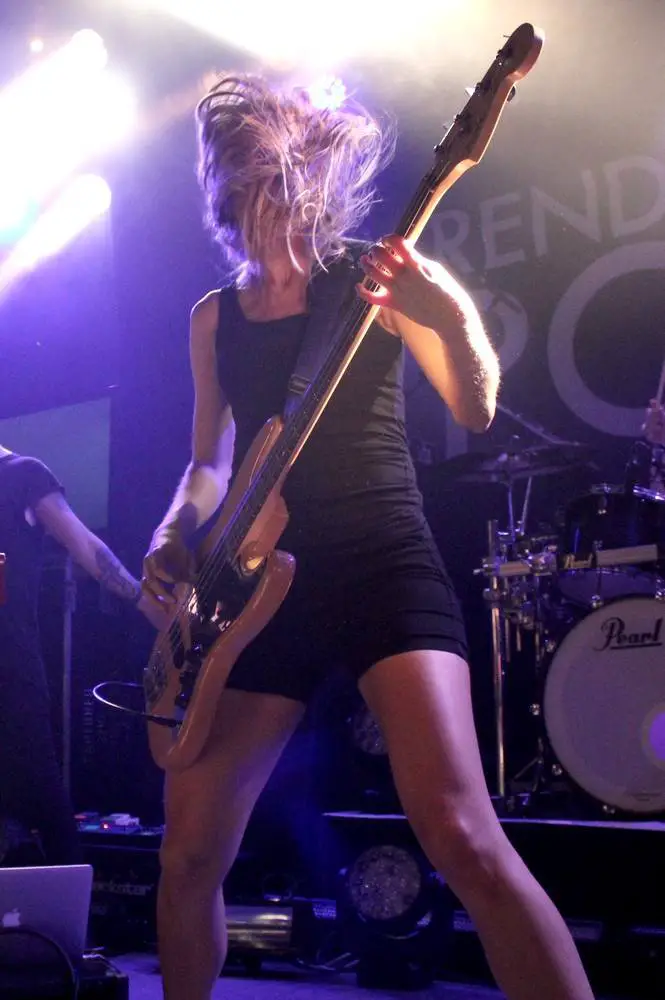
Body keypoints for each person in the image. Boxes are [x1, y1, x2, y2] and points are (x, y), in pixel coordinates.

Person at [142, 75, 595, 1000]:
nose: (261, 208)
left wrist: (444, 313)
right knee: (186, 854)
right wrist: (175, 530)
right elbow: (207, 462)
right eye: (241, 186)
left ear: (304, 178)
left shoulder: (374, 275)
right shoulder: (213, 317)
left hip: (382, 558)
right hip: (257, 591)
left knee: (461, 835)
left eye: (272, 182)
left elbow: (474, 406)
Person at [0, 444, 165, 865]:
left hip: (10, 679)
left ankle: (72, 908)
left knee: (44, 805)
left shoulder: (22, 476)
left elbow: (86, 547)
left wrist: (150, 606)